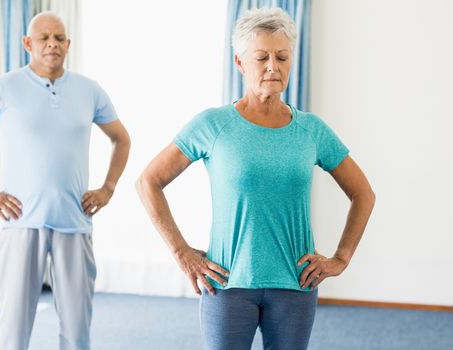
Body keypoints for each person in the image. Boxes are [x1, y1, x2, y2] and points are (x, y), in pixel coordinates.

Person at [136, 7, 375, 350]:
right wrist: (181, 252)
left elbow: (363, 193)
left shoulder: (311, 130)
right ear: (240, 63)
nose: (272, 67)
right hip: (227, 283)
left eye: (282, 56)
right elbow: (149, 181)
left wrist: (341, 258)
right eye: (261, 57)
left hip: (295, 283)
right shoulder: (212, 125)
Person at [0, 12, 130, 350]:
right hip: (20, 221)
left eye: (59, 38)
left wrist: (108, 188)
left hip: (74, 221)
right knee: (13, 330)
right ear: (28, 43)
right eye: (44, 38)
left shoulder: (90, 91)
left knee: (77, 331)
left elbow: (121, 139)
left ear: (68, 44)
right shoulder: (3, 87)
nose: (52, 44)